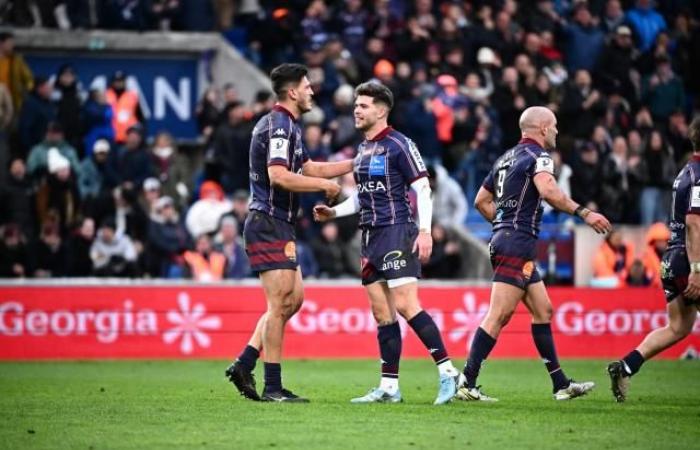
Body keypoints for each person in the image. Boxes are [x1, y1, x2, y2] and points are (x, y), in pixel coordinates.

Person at [313, 81, 460, 405]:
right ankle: (390, 387)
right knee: (382, 314)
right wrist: (333, 213)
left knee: (407, 305)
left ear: (381, 110)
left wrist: (424, 231)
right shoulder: (363, 150)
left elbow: (423, 189)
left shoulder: (400, 144)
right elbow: (363, 198)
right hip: (370, 236)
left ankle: (449, 372)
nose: (356, 109)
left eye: (363, 105)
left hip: (396, 231)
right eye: (356, 104)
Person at [460, 106, 611, 402]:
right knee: (499, 315)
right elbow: (549, 190)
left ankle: (560, 384)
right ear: (542, 127)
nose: (556, 131)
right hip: (517, 242)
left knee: (543, 310)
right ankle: (467, 382)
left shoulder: (505, 158)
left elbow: (481, 200)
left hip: (512, 240)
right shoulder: (539, 156)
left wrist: (503, 223)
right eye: (553, 126)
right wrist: (584, 212)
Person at [224, 63, 351, 403]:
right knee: (279, 304)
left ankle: (245, 362)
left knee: (293, 300)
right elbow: (279, 175)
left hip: (279, 224)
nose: (312, 91)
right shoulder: (279, 126)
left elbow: (309, 168)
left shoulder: (287, 125)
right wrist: (324, 186)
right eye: (307, 86)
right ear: (293, 91)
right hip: (268, 221)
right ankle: (273, 386)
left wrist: (358, 162)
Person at [607, 117, 700, 403]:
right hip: (689, 259)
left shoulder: (685, 171)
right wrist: (697, 269)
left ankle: (625, 366)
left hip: (671, 259)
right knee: (678, 326)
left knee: (678, 327)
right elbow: (694, 223)